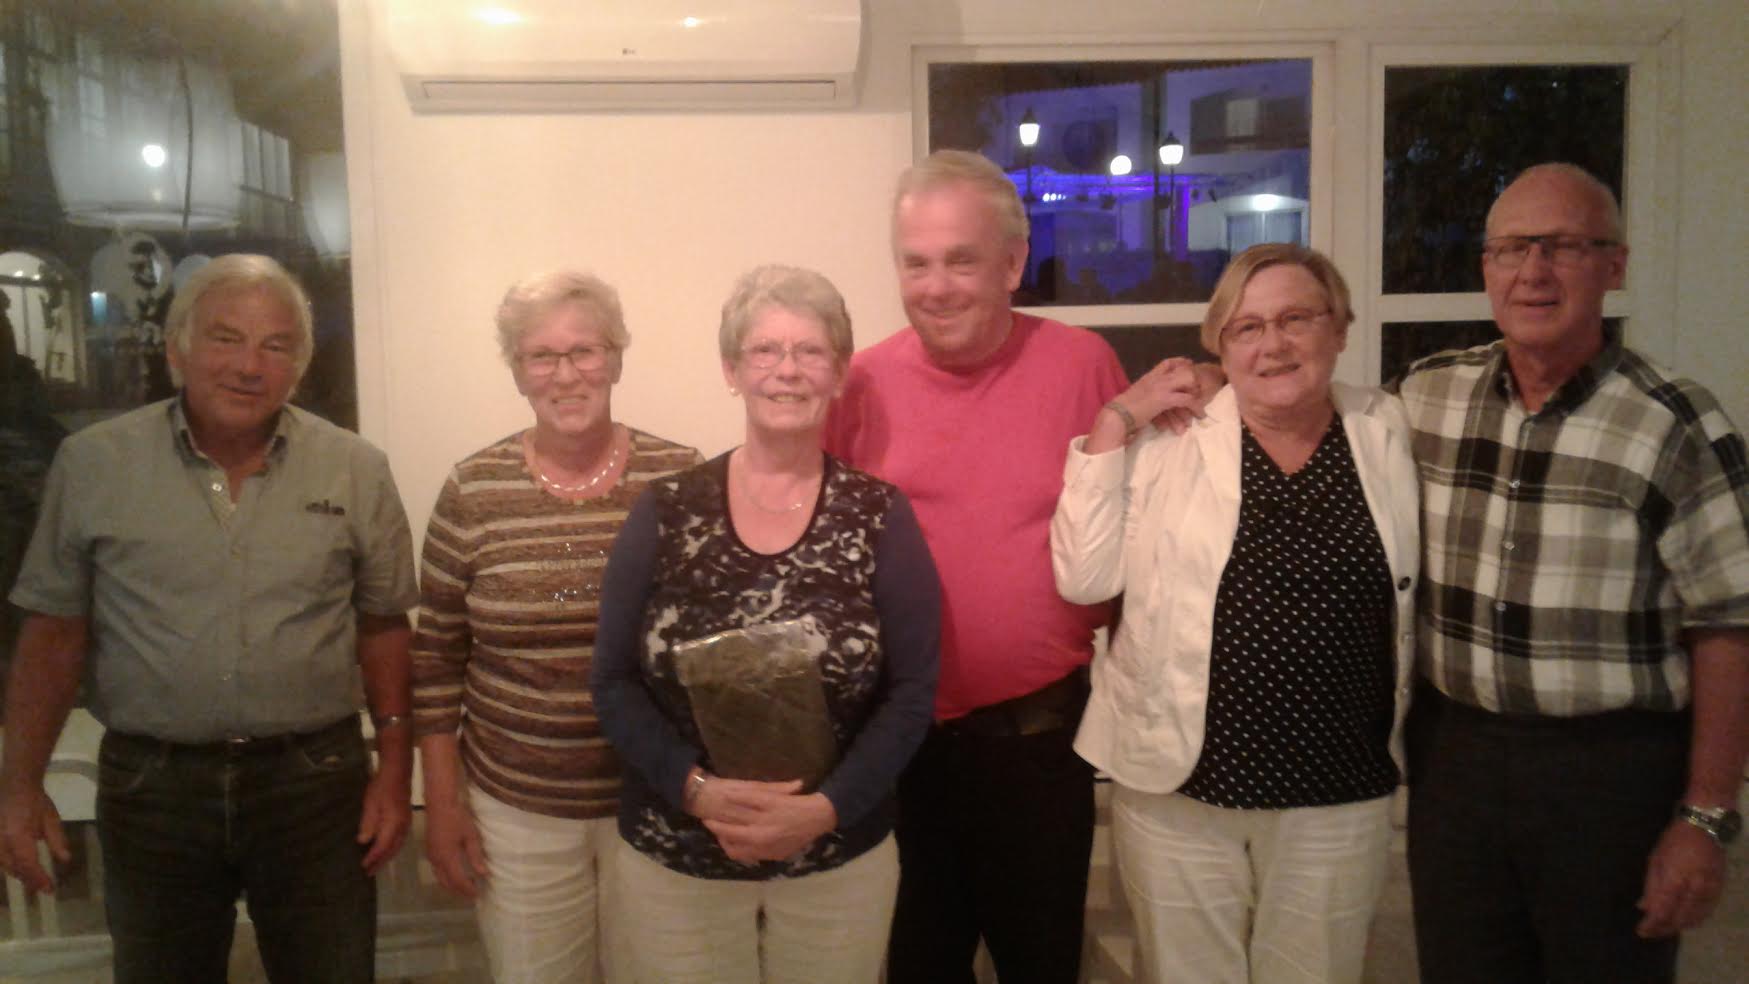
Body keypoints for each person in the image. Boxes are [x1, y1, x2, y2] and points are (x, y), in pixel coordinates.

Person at [0, 254, 417, 983]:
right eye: (226, 338)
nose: (249, 366)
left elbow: (383, 626)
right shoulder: (93, 464)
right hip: (152, 789)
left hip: (314, 786)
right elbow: (54, 633)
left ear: (299, 367)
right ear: (177, 349)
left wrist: (394, 771)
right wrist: (19, 785)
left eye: (275, 346)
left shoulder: (355, 467)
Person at [1396, 162, 1749, 984]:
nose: (1533, 271)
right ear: (1485, 267)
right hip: (1453, 759)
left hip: (1609, 775)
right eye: (1511, 248)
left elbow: (1729, 622)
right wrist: (1209, 384)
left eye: (1562, 247)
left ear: (1613, 266)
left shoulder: (1675, 423)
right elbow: (1312, 419)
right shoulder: (1424, 396)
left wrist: (1705, 817)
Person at [1051, 243, 1420, 983]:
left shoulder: (1389, 429)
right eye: (1246, 327)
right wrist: (1114, 421)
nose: (1272, 344)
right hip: (1179, 791)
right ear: (1219, 344)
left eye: (1295, 319)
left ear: (1339, 327)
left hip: (1339, 791)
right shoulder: (1169, 438)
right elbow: (1083, 578)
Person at [823, 149, 1130, 984]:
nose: (936, 287)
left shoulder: (1082, 365)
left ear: (1012, 263)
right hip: (898, 750)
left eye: (961, 260)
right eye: (915, 263)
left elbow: (1133, 527)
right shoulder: (859, 383)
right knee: (916, 967)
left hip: (1038, 746)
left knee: (1041, 964)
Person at [591, 264, 940, 984]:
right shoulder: (665, 510)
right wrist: (696, 790)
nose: (788, 370)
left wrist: (824, 810)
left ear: (838, 372)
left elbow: (912, 692)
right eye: (765, 350)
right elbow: (612, 682)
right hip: (678, 858)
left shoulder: (879, 515)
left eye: (810, 350)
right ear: (732, 370)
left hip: (836, 861)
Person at [410, 270, 702, 984]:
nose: (565, 374)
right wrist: (441, 803)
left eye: (585, 351)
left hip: (654, 800)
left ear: (616, 359)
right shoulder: (473, 491)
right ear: (517, 371)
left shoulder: (680, 481)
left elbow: (704, 651)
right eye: (541, 356)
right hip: (517, 812)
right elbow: (436, 665)